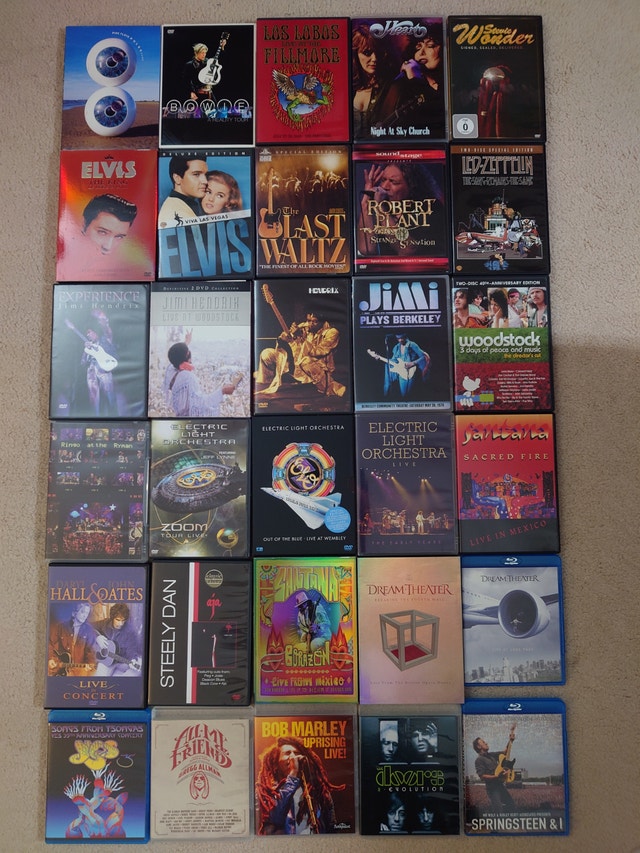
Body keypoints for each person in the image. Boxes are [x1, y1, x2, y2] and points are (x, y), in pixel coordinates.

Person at [357, 160, 443, 257]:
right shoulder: (380, 207)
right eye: (383, 180)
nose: (384, 186)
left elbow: (408, 250)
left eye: (394, 182)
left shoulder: (430, 207)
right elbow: (367, 250)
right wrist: (365, 202)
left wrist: (380, 208)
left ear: (411, 184)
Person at [256, 737, 341, 834]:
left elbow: (331, 827)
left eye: (296, 753)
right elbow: (276, 819)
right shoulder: (267, 792)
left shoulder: (318, 791)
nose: (293, 757)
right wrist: (293, 773)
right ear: (275, 762)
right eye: (287, 753)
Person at [254, 310, 345, 398]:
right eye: (308, 320)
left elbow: (318, 352)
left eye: (315, 321)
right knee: (266, 354)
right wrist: (286, 337)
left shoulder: (332, 333)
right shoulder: (304, 327)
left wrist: (300, 337)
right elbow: (290, 341)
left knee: (305, 361)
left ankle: (327, 387)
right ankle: (267, 381)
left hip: (318, 367)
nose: (310, 324)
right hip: (297, 365)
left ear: (323, 322)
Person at [371, 29, 445, 134]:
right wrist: (413, 78)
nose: (421, 52)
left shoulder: (450, 85)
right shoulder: (401, 85)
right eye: (418, 46)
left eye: (430, 46)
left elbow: (438, 114)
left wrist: (415, 80)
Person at [163, 331, 240, 417]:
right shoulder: (187, 377)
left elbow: (176, 356)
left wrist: (185, 343)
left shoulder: (171, 371)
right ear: (188, 354)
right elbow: (201, 404)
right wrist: (222, 391)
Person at [472, 726, 517, 813]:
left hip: (500, 786)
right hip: (492, 789)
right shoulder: (479, 760)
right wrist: (496, 776)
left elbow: (505, 752)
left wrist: (510, 740)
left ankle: (506, 820)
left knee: (511, 805)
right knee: (498, 810)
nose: (486, 743)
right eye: (483, 742)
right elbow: (482, 776)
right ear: (478, 746)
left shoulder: (492, 755)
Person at [48, 602, 97, 677]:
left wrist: (90, 664)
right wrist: (50, 658)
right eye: (82, 612)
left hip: (80, 669)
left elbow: (91, 650)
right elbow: (50, 642)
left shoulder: (89, 630)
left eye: (86, 613)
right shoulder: (62, 627)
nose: (85, 615)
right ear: (74, 613)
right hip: (61, 667)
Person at [93, 603, 142, 677]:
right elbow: (89, 626)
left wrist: (133, 659)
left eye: (123, 620)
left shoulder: (130, 631)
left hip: (122, 662)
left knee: (135, 672)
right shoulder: (105, 624)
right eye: (118, 620)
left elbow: (132, 649)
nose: (120, 624)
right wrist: (97, 637)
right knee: (99, 678)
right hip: (107, 661)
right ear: (112, 618)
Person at [158, 155, 209, 223]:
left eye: (206, 175)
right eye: (196, 174)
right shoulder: (174, 211)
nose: (205, 181)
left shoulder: (182, 205)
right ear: (177, 178)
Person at [383, 332, 430, 400]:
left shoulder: (412, 345)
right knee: (403, 395)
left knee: (410, 395)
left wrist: (413, 363)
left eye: (401, 338)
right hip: (402, 372)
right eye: (398, 338)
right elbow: (394, 360)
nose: (400, 340)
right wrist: (380, 358)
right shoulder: (396, 347)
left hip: (411, 371)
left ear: (405, 336)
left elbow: (424, 357)